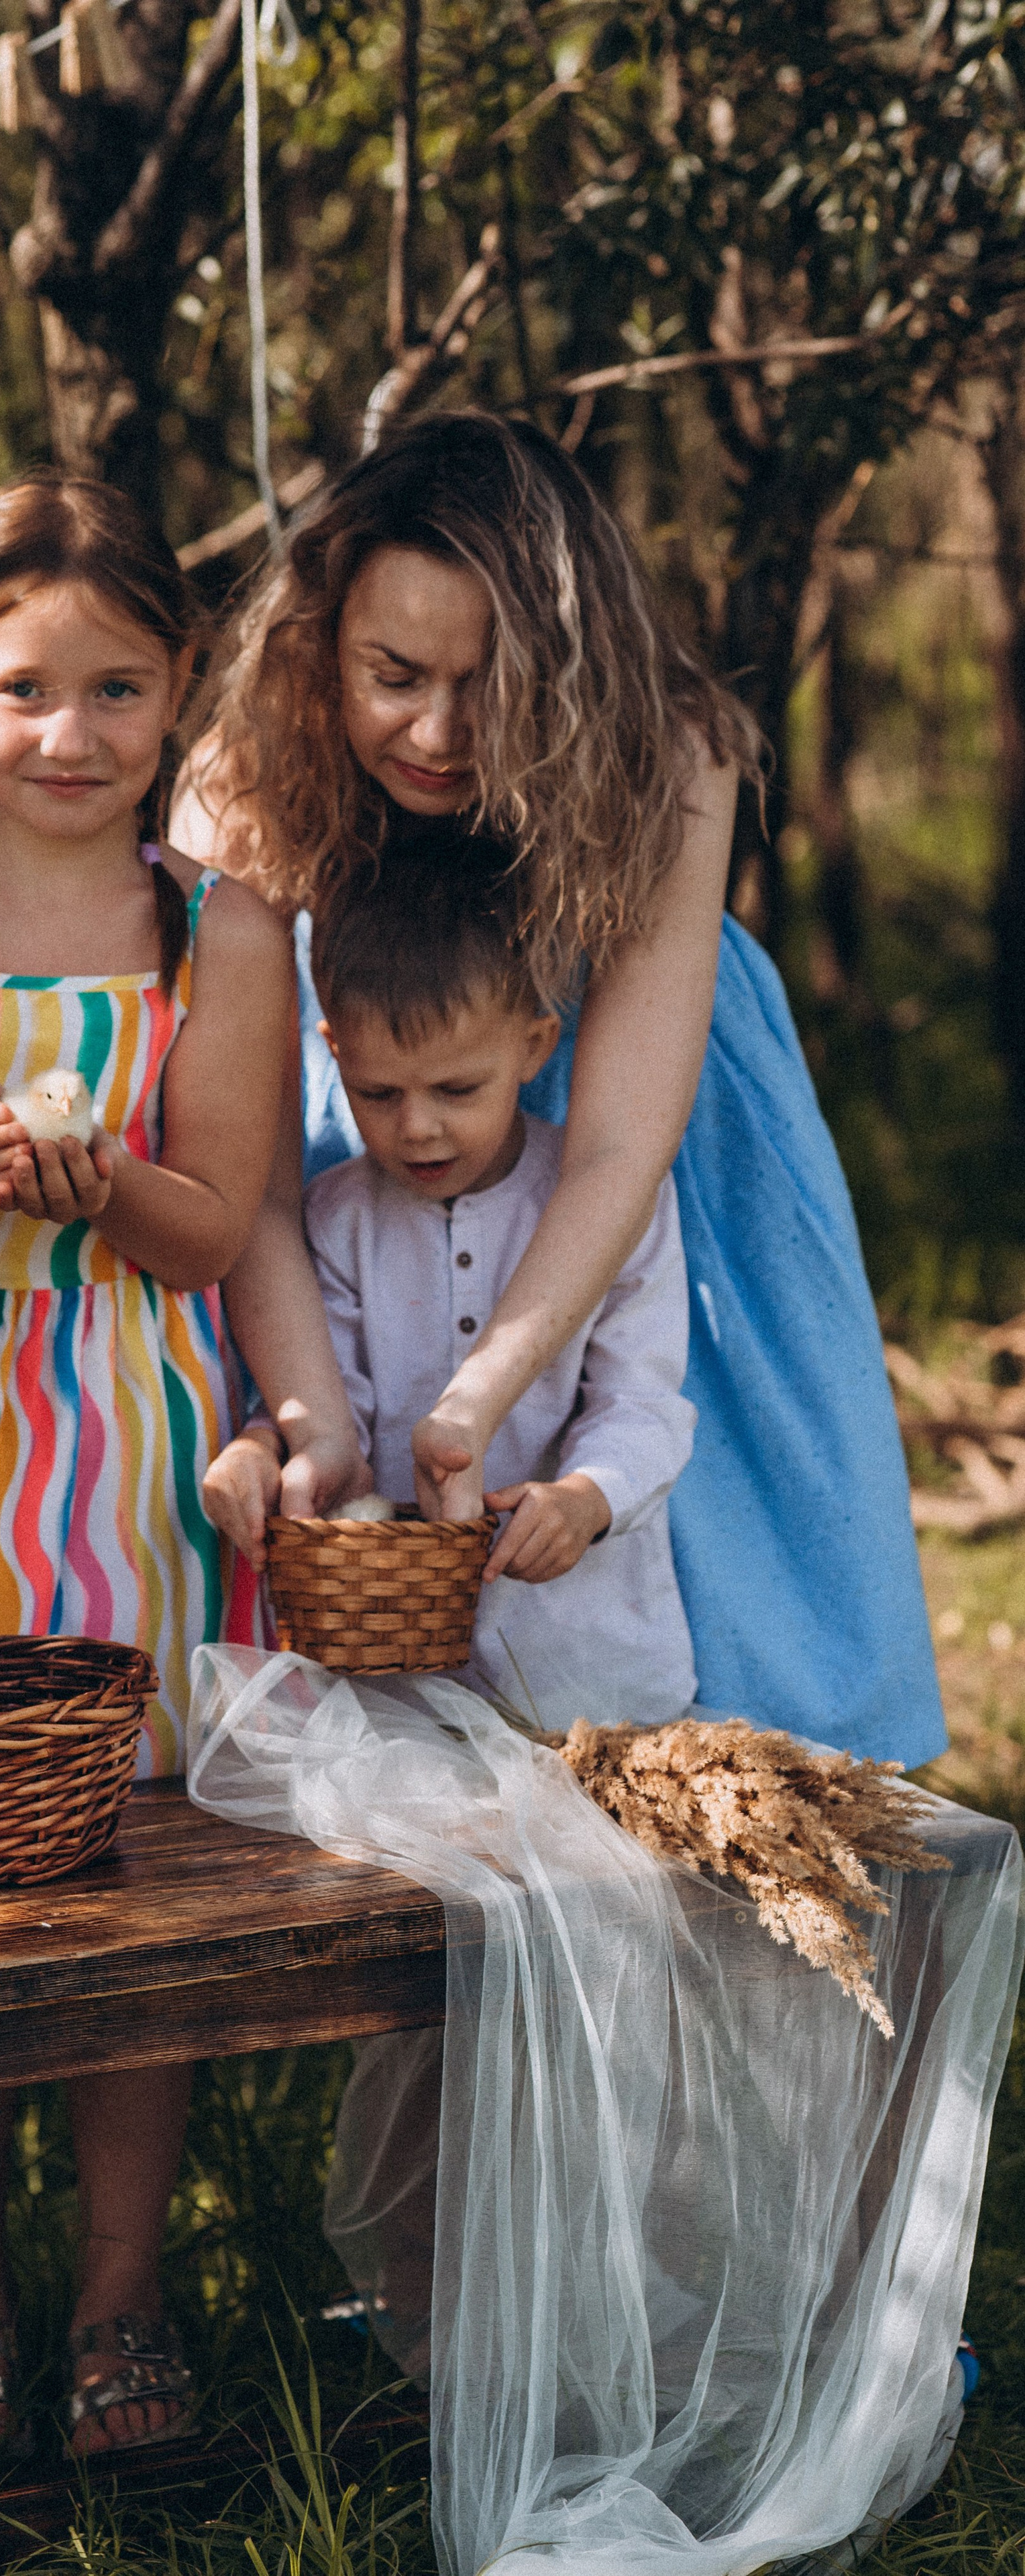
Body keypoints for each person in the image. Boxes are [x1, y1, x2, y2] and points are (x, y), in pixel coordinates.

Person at [178, 410, 945, 1771]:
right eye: (393, 673)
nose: (434, 730)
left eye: (491, 685)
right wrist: (320, 1422)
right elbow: (236, 1161)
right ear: (325, 648)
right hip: (352, 1165)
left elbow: (613, 1154)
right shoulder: (250, 763)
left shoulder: (673, 751)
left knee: (716, 1626)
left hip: (647, 1176)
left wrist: (475, 1401)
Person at [0, 472, 293, 2456]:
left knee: (125, 1879)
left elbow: (223, 1225)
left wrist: (106, 1189)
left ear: (179, 690)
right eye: (25, 690)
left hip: (140, 1459)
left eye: (116, 691)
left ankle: (118, 2303)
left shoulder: (220, 926)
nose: (70, 737)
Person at [207, 835, 698, 1731]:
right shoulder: (338, 1217)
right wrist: (261, 1448)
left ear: (536, 1045)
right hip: (393, 1680)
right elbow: (334, 1411)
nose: (419, 1129)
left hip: (587, 1672)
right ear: (333, 1052)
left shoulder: (607, 1202)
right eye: (379, 1093)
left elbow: (645, 1398)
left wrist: (589, 1498)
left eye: (457, 1089)